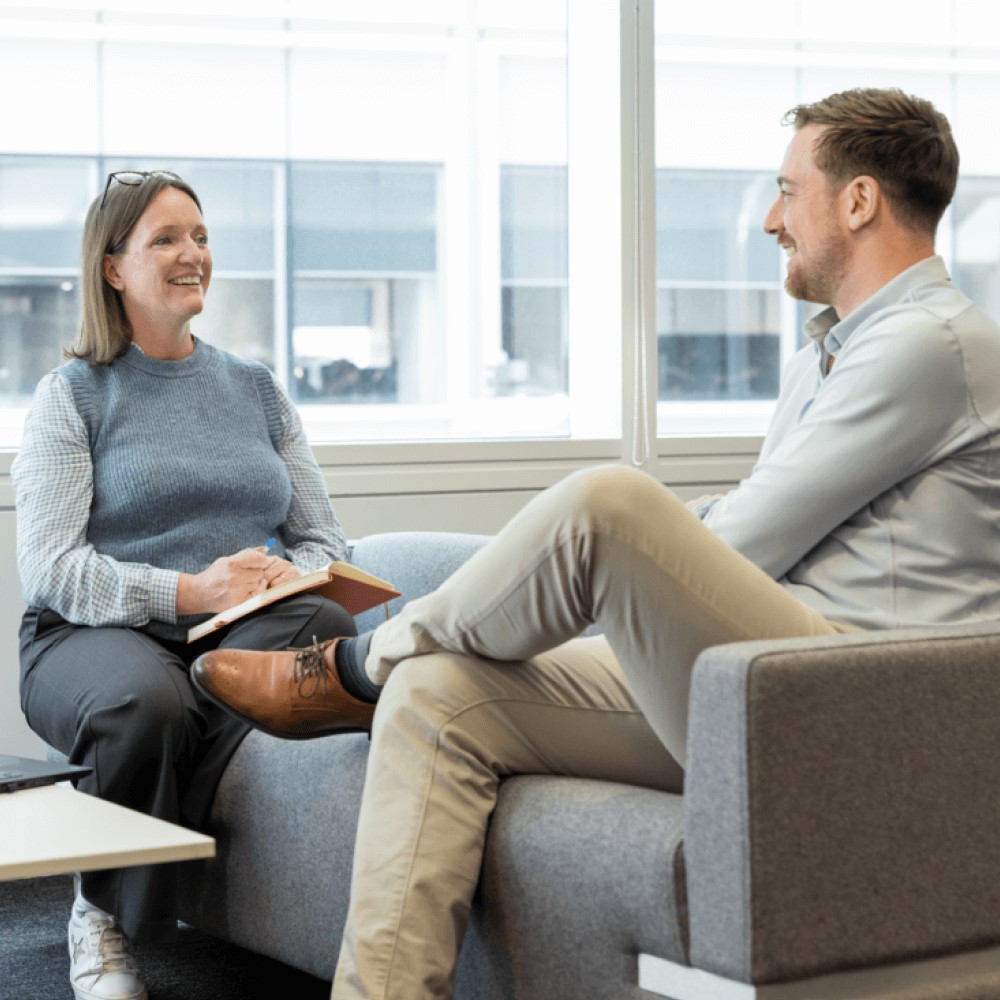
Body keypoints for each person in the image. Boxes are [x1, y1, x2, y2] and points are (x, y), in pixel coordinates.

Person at [191, 87, 1000, 1000]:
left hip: (852, 709)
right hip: (763, 681)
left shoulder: (932, 343)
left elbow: (750, 543)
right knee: (438, 691)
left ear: (858, 201)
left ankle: (353, 666)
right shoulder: (835, 350)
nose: (772, 219)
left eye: (787, 190)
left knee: (609, 503)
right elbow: (770, 511)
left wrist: (612, 560)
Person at [12, 170, 356, 1000]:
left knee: (315, 619)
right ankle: (97, 917)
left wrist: (283, 574)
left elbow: (323, 540)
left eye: (198, 236)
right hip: (88, 635)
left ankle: (196, 700)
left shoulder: (258, 390)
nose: (191, 254)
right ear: (112, 267)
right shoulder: (72, 396)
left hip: (236, 633)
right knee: (146, 703)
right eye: (165, 239)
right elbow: (53, 569)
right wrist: (190, 593)